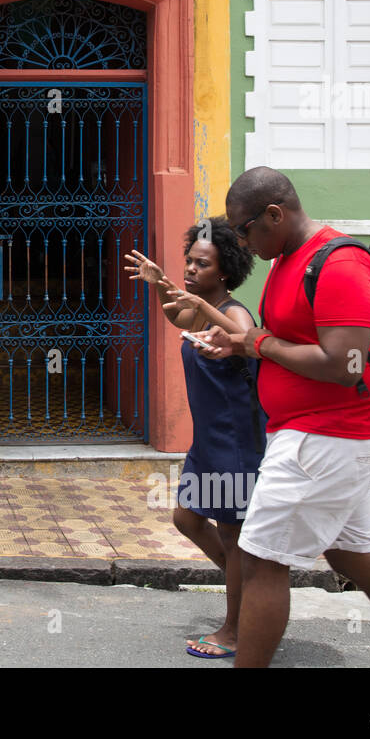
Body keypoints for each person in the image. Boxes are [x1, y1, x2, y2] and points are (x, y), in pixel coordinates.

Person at [196, 166, 370, 669]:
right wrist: (240, 344)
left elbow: (345, 365)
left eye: (244, 228)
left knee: (260, 561)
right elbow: (284, 344)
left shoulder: (338, 263)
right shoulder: (286, 260)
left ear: (274, 214)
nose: (241, 240)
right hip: (314, 438)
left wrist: (259, 344)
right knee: (354, 558)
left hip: (325, 438)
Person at [124, 217, 264, 660]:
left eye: (200, 264)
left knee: (232, 534)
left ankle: (236, 629)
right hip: (208, 441)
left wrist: (202, 307)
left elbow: (247, 339)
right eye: (188, 260)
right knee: (187, 519)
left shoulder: (233, 310)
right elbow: (174, 315)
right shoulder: (198, 300)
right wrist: (160, 283)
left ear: (223, 271)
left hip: (235, 440)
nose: (190, 269)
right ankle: (252, 591)